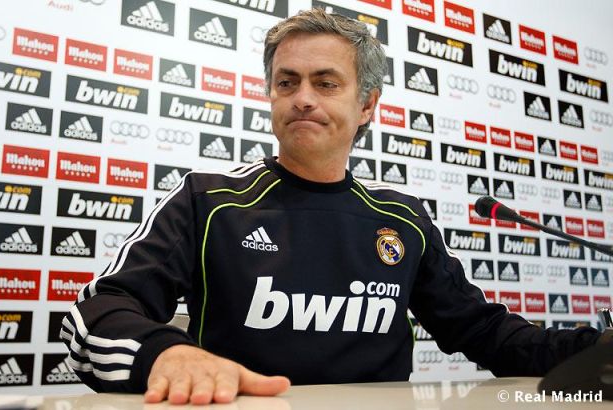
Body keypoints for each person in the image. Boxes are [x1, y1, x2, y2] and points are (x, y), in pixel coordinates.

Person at [62, 8, 605, 406]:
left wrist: (595, 353)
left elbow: (484, 332)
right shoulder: (208, 199)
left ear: (366, 104)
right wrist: (166, 354)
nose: (303, 98)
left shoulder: (403, 219)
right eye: (287, 82)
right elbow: (98, 311)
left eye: (325, 83)